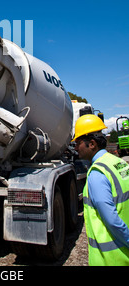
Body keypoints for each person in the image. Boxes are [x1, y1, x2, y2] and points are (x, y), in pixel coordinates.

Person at [72, 114, 129, 266]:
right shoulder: (118, 163)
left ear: (92, 144)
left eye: (78, 143)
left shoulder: (97, 173)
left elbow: (112, 220)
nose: (76, 148)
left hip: (111, 258)